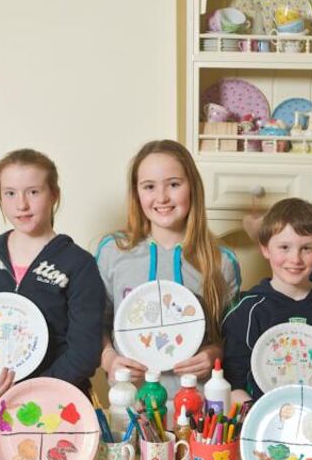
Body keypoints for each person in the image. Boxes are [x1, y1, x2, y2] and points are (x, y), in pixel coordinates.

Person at [0, 149, 105, 410]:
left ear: (54, 195)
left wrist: (28, 395)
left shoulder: (79, 264)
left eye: (33, 192)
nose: (21, 204)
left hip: (58, 403)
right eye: (10, 193)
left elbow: (85, 352)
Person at [97, 139, 240, 394]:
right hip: (129, 400)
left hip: (199, 404)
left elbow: (233, 336)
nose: (162, 197)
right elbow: (95, 322)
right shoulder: (113, 252)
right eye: (149, 186)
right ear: (136, 192)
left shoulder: (221, 262)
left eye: (174, 185)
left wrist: (214, 354)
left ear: (192, 188)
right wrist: (108, 358)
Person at [223, 198, 312, 415]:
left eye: (306, 248)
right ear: (265, 249)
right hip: (262, 422)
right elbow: (233, 383)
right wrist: (262, 416)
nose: (295, 259)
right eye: (284, 247)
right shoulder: (248, 309)